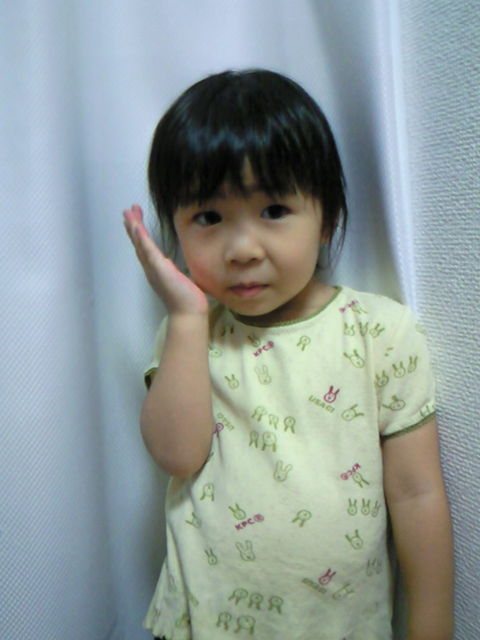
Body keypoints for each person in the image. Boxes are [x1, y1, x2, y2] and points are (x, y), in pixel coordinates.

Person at [123, 69, 453, 640]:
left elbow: (416, 493)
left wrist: (432, 627)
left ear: (327, 218)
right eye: (208, 217)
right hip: (200, 623)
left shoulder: (379, 331)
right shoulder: (189, 333)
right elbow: (177, 456)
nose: (242, 249)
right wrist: (186, 318)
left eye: (274, 209)